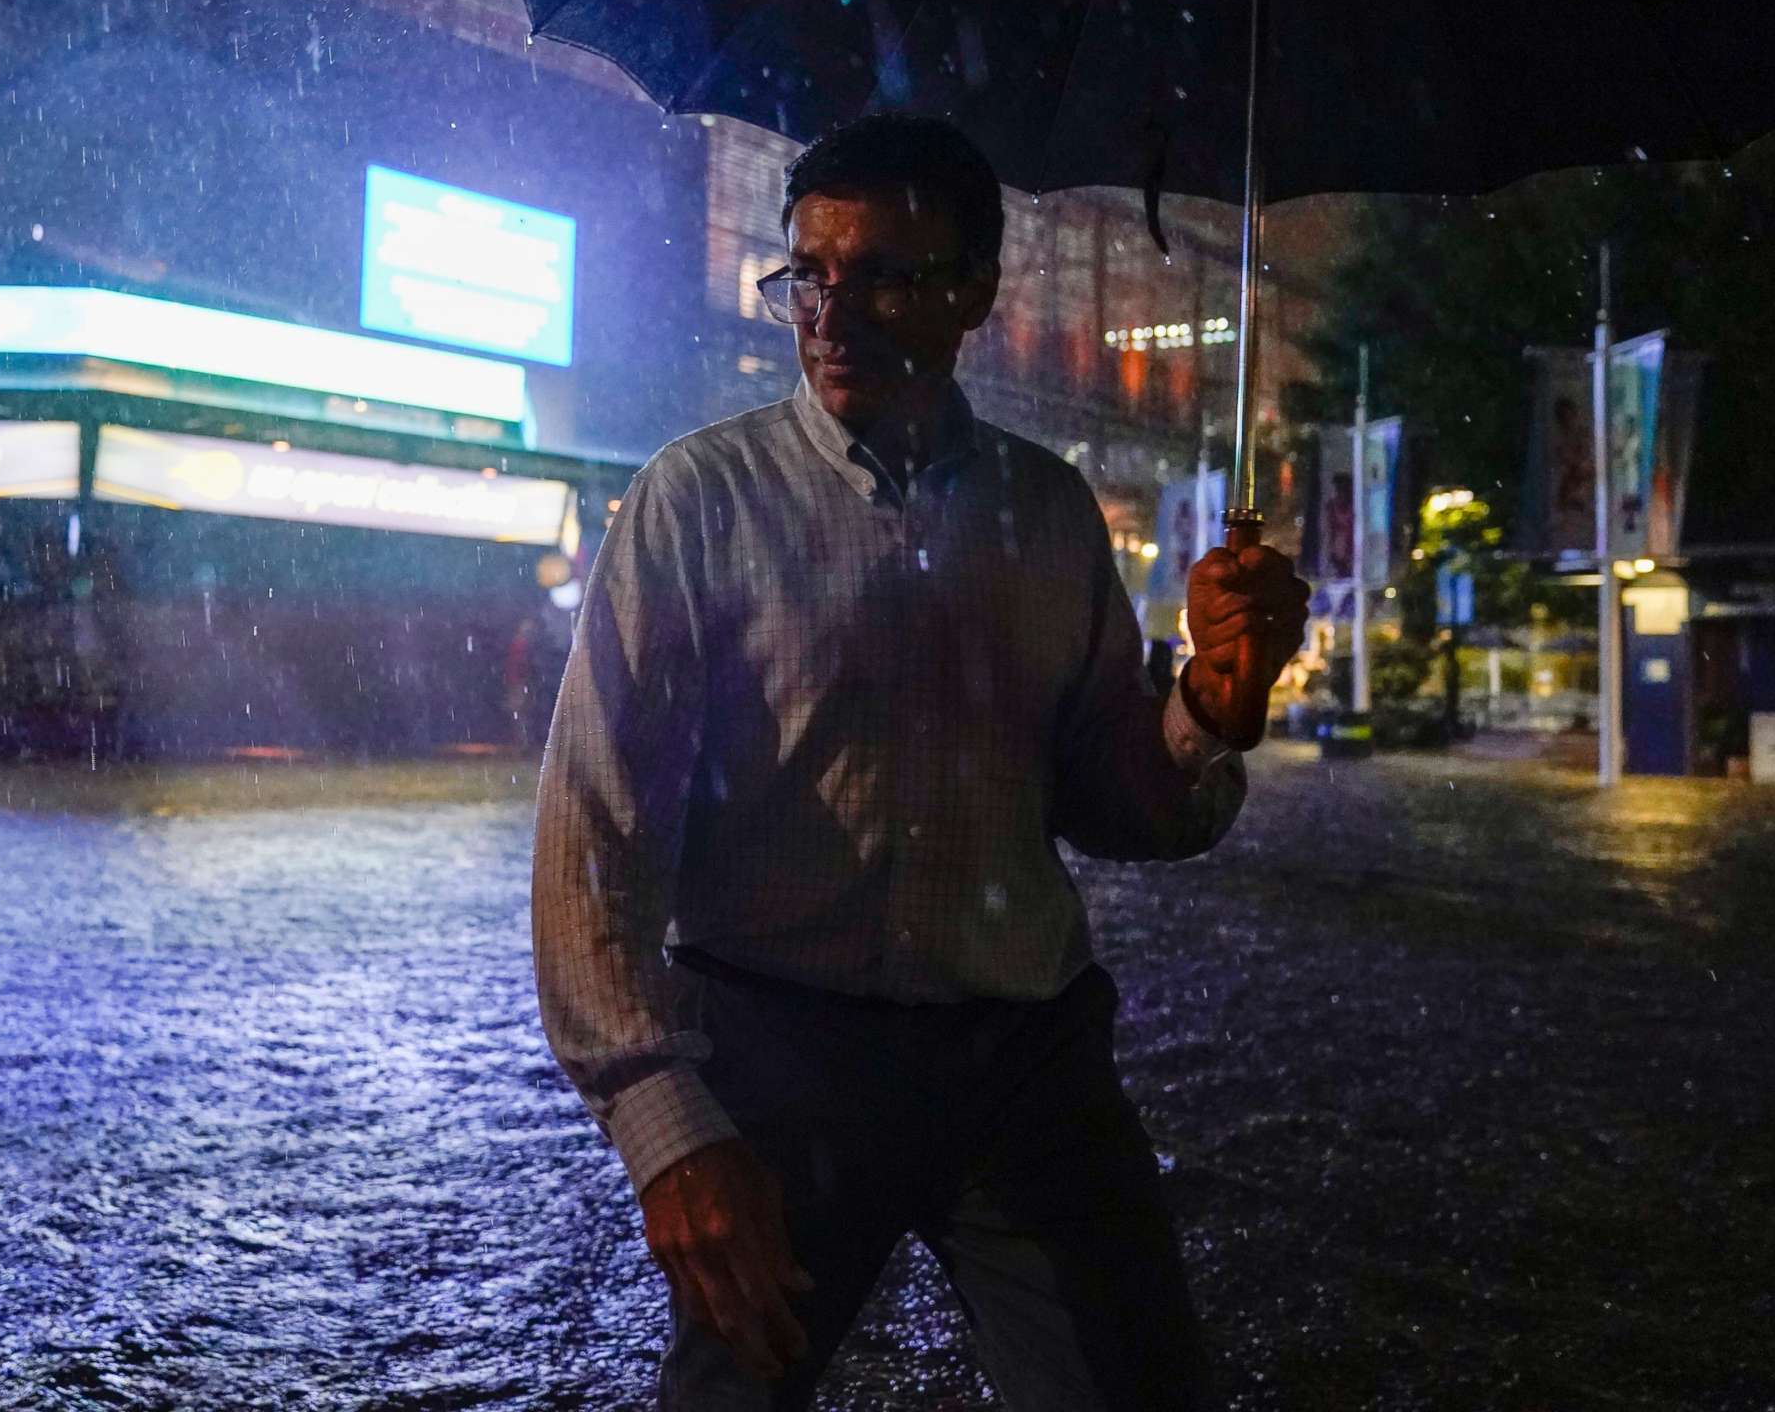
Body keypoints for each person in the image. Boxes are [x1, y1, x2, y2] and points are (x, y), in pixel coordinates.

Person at [532, 115, 1309, 1410]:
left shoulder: (1047, 512)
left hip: (1028, 1069)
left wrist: (1210, 711)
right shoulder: (697, 505)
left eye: (884, 274)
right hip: (777, 1059)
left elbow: (1111, 800)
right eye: (809, 275)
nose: (831, 314)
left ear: (973, 294)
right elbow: (591, 835)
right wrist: (665, 1127)